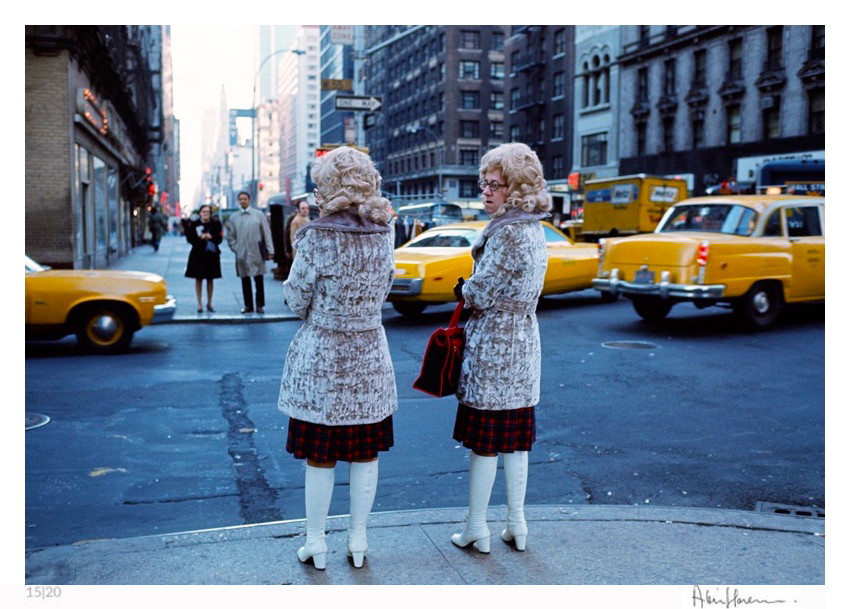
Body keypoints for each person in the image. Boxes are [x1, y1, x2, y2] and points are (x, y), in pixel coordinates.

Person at [277, 146, 397, 571]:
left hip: (323, 361)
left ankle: (316, 543)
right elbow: (385, 290)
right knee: (365, 453)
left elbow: (295, 299)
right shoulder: (384, 233)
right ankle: (359, 542)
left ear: (329, 188)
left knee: (320, 454)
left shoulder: (316, 236)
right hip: (368, 358)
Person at [450, 142, 552, 554]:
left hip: (494, 345)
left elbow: (481, 291)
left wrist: (463, 288)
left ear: (516, 189)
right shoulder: (534, 228)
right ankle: (517, 523)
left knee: (485, 441)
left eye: (495, 185)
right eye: (484, 184)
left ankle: (477, 526)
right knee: (516, 440)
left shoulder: (507, 232)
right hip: (524, 342)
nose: (486, 192)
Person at [225, 191, 274, 314]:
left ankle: (260, 305)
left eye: (245, 199)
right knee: (245, 280)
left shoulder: (258, 215)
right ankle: (248, 305)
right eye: (240, 199)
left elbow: (266, 233)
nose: (243, 201)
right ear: (238, 201)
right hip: (241, 253)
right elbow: (230, 237)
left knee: (259, 279)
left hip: (256, 251)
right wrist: (236, 248)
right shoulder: (234, 217)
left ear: (249, 200)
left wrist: (270, 249)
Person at [183, 204, 223, 313]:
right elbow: (189, 239)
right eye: (204, 211)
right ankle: (199, 303)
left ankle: (210, 303)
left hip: (211, 255)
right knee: (198, 279)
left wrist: (211, 237)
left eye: (208, 212)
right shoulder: (194, 224)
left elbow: (219, 239)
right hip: (198, 255)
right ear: (200, 213)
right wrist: (200, 238)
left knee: (210, 279)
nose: (206, 213)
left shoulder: (215, 224)